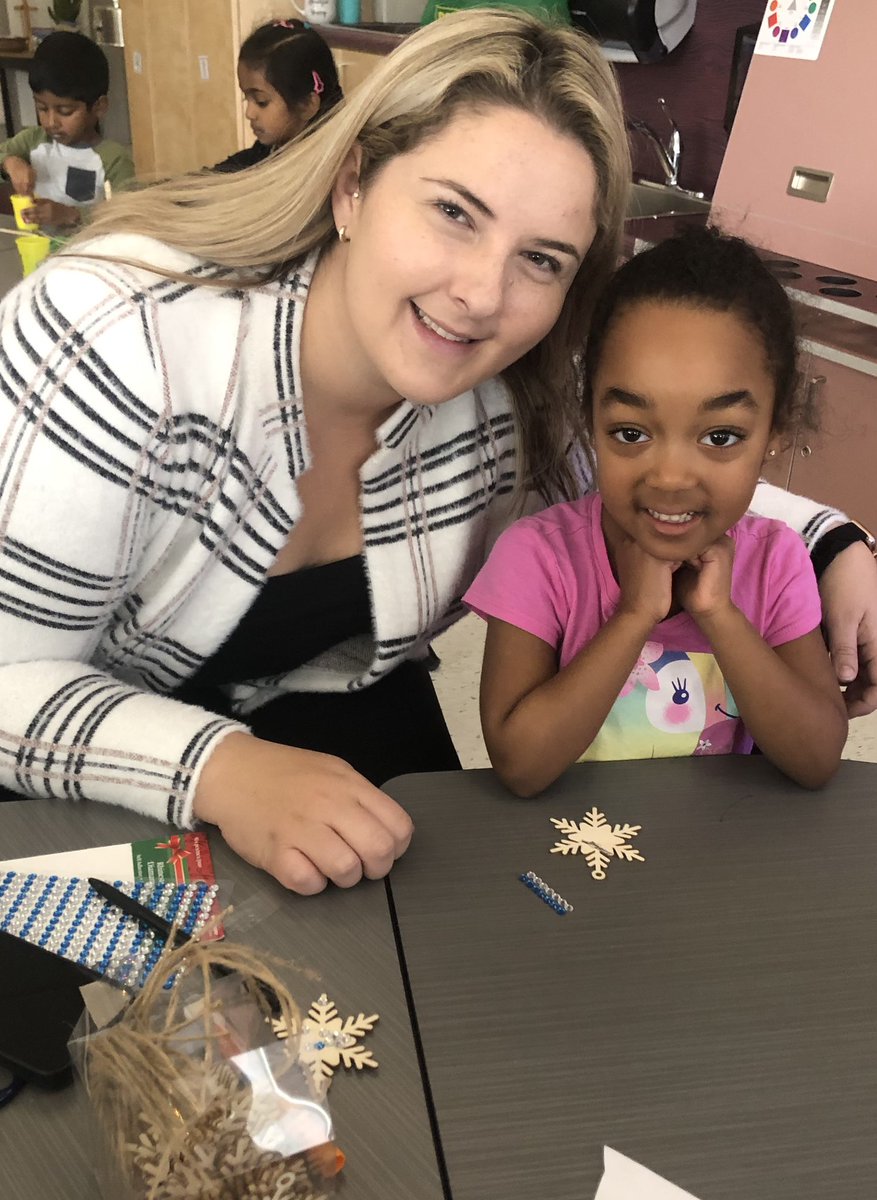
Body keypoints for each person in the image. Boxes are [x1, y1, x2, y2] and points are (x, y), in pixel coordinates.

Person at [0, 12, 873, 897]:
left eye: (541, 259)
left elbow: (655, 473)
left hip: (342, 721)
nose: (480, 295)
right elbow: (8, 678)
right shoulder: (116, 337)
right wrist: (218, 769)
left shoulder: (510, 394)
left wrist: (834, 543)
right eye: (454, 213)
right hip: (90, 754)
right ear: (353, 185)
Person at [465, 227, 849, 793]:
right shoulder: (538, 555)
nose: (669, 478)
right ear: (589, 419)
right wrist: (634, 615)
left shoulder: (777, 562)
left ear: (775, 433)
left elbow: (817, 759)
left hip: (718, 841)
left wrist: (720, 614)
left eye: (720, 436)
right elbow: (520, 766)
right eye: (630, 432)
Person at [0, 31, 134, 231]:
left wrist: (72, 214)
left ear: (99, 107)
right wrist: (10, 163)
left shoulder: (113, 159)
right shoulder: (32, 141)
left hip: (91, 246)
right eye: (42, 108)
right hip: (39, 247)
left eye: (65, 111)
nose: (51, 122)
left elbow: (130, 213)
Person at [212, 20, 343, 173]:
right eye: (246, 98)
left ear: (306, 105)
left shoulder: (331, 170)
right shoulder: (268, 151)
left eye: (261, 102)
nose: (249, 114)